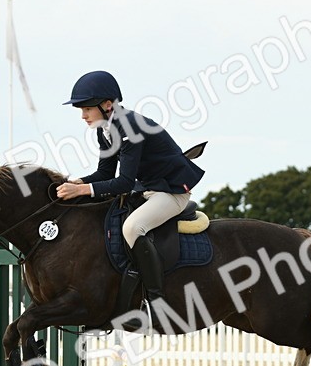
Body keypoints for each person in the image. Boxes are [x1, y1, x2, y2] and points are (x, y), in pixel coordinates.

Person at [55, 70, 204, 311]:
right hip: (147, 190)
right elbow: (104, 175)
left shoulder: (129, 127)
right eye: (81, 110)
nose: (83, 116)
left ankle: (156, 301)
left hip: (171, 192)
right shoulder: (106, 131)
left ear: (106, 105)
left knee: (133, 227)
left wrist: (80, 191)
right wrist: (75, 183)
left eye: (87, 109)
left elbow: (123, 182)